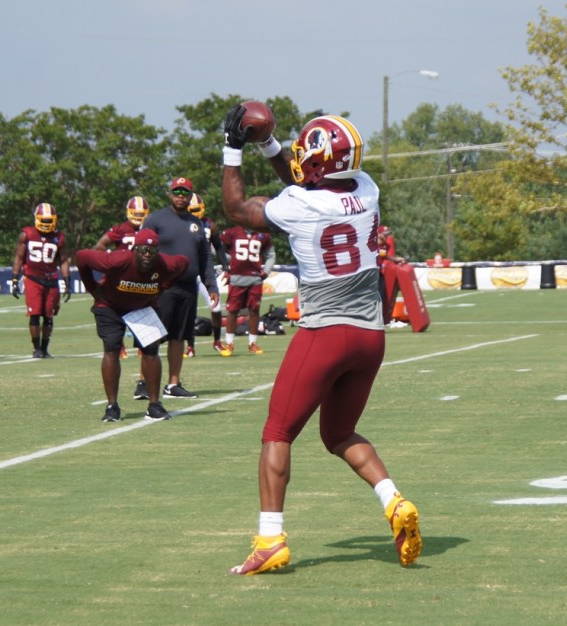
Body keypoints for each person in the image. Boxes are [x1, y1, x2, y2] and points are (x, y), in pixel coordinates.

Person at [221, 108, 421, 575]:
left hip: (326, 332)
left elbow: (237, 209)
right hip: (370, 336)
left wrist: (234, 146)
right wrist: (269, 144)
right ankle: (393, 501)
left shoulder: (299, 204)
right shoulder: (367, 188)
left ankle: (270, 540)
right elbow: (303, 178)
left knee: (277, 432)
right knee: (338, 434)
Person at [75, 229, 189, 422]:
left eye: (152, 250)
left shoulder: (165, 264)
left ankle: (154, 405)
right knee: (111, 348)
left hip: (142, 306)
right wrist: (92, 287)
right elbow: (81, 257)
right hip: (110, 305)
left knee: (151, 349)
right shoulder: (116, 260)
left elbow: (184, 263)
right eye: (143, 249)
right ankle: (112, 406)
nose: (147, 254)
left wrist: (164, 286)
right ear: (134, 249)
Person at [141, 177, 220, 399]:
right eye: (177, 191)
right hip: (161, 286)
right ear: (170, 194)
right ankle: (144, 382)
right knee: (154, 336)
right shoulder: (155, 219)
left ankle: (173, 384)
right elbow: (141, 250)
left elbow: (205, 258)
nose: (180, 196)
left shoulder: (197, 224)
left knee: (179, 336)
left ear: (190, 196)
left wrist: (211, 286)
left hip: (188, 287)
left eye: (185, 192)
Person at [10, 203, 72, 358]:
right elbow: (19, 257)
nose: (46, 224)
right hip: (33, 278)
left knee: (49, 316)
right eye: (43, 220)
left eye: (49, 220)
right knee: (35, 314)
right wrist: (15, 279)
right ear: (36, 219)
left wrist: (67, 281)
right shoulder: (27, 234)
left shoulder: (59, 237)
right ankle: (37, 348)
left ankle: (45, 348)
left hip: (51, 279)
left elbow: (63, 261)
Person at [95, 195, 150, 360]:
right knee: (118, 311)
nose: (138, 217)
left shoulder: (150, 229)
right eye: (136, 213)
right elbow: (100, 245)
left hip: (142, 277)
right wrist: (111, 259)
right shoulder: (120, 229)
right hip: (122, 277)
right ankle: (119, 346)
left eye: (141, 214)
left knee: (142, 311)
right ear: (129, 212)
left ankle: (142, 346)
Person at [217, 224, 276, 356]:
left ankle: (252, 343)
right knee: (233, 311)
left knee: (254, 310)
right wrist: (229, 261)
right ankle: (229, 343)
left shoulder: (263, 234)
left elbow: (271, 255)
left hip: (255, 278)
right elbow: (217, 247)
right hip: (236, 277)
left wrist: (266, 271)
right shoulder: (232, 232)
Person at [186, 192, 229, 357]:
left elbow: (218, 247)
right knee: (189, 310)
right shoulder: (182, 223)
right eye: (193, 209)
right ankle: (190, 346)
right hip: (187, 271)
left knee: (216, 307)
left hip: (205, 271)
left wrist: (226, 267)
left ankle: (217, 341)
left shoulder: (210, 225)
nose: (196, 212)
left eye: (197, 209)